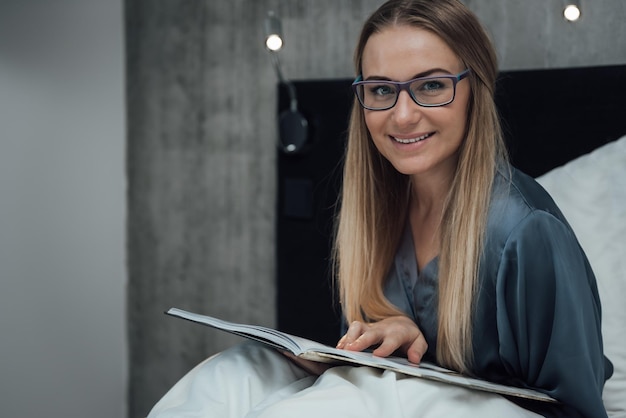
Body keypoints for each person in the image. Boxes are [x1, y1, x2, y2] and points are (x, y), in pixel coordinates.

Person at [148, 1, 612, 417]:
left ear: (476, 91)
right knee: (231, 373)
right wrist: (393, 338)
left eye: (431, 85)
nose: (403, 115)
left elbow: (575, 407)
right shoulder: (383, 210)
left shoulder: (524, 232)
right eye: (382, 90)